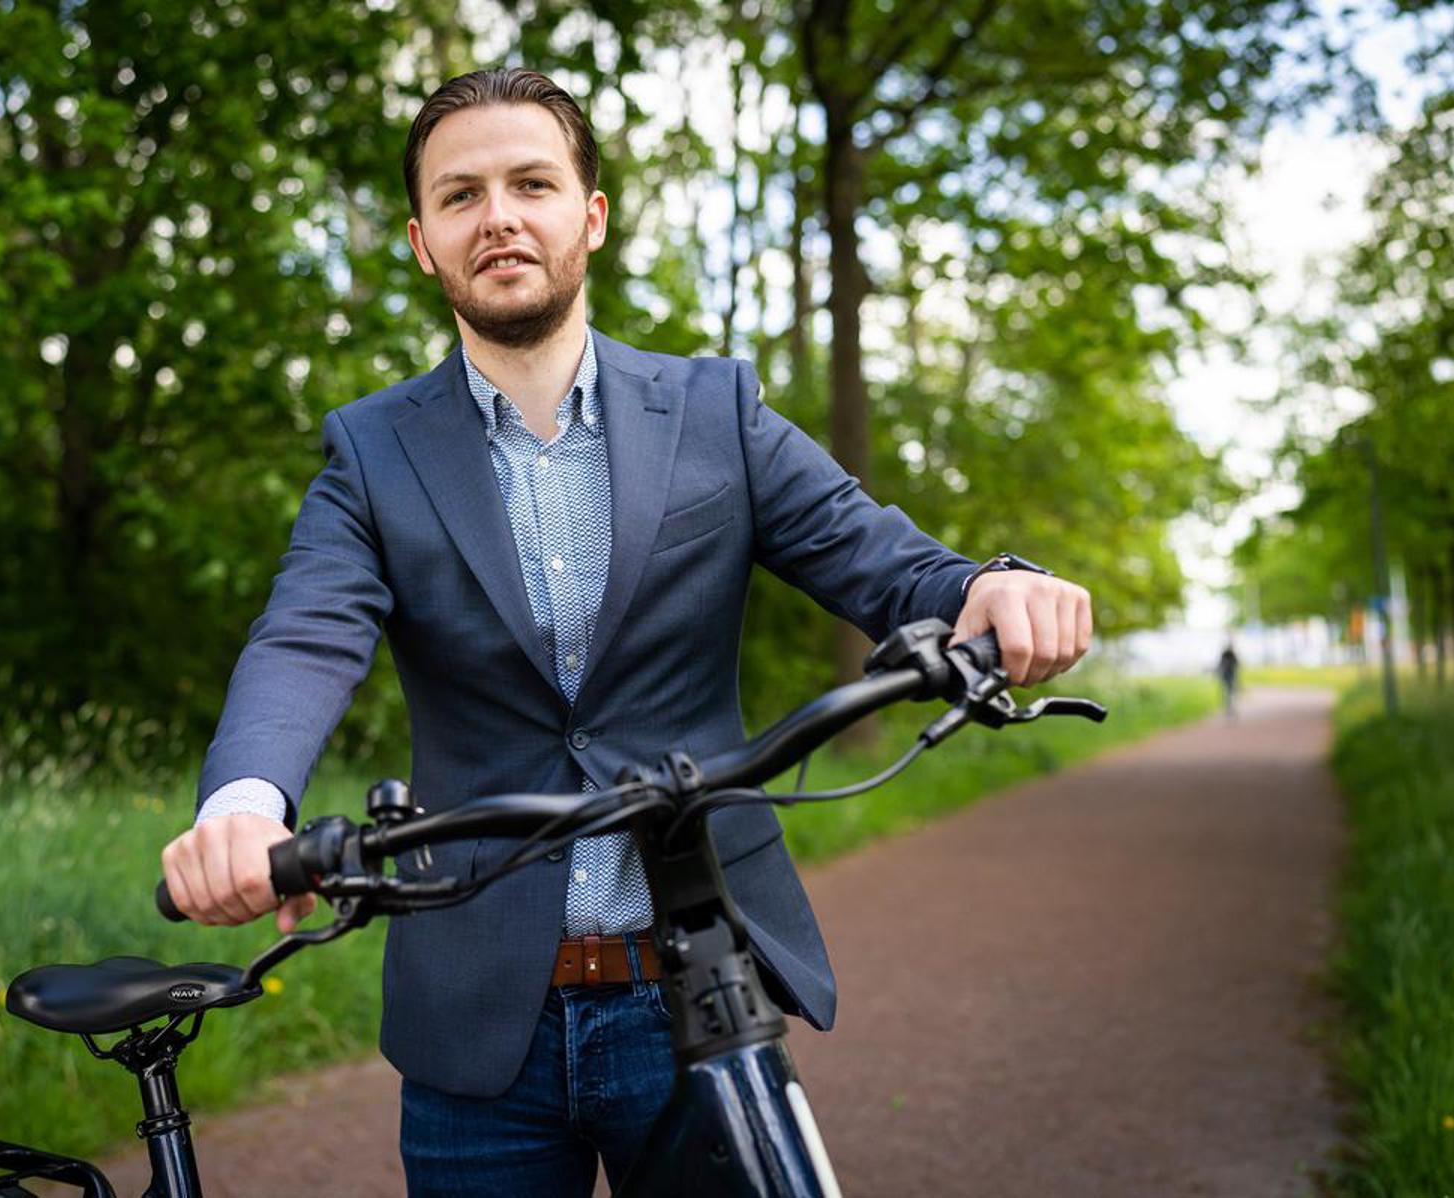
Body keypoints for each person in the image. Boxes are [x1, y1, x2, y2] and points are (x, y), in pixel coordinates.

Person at [159, 68, 1094, 1196]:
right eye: (460, 196)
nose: (498, 215)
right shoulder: (372, 450)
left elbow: (885, 561)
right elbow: (304, 635)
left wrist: (991, 584)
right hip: (479, 1015)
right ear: (422, 241)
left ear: (589, 217)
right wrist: (246, 802)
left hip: (699, 983)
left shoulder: (717, 411)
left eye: (531, 184)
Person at [1218, 641, 1240, 717]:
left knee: (1229, 692)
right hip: (1228, 676)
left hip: (1229, 676)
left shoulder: (1228, 655)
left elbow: (1237, 665)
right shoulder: (1228, 654)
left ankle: (1229, 707)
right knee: (1229, 692)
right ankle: (1229, 707)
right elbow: (1237, 665)